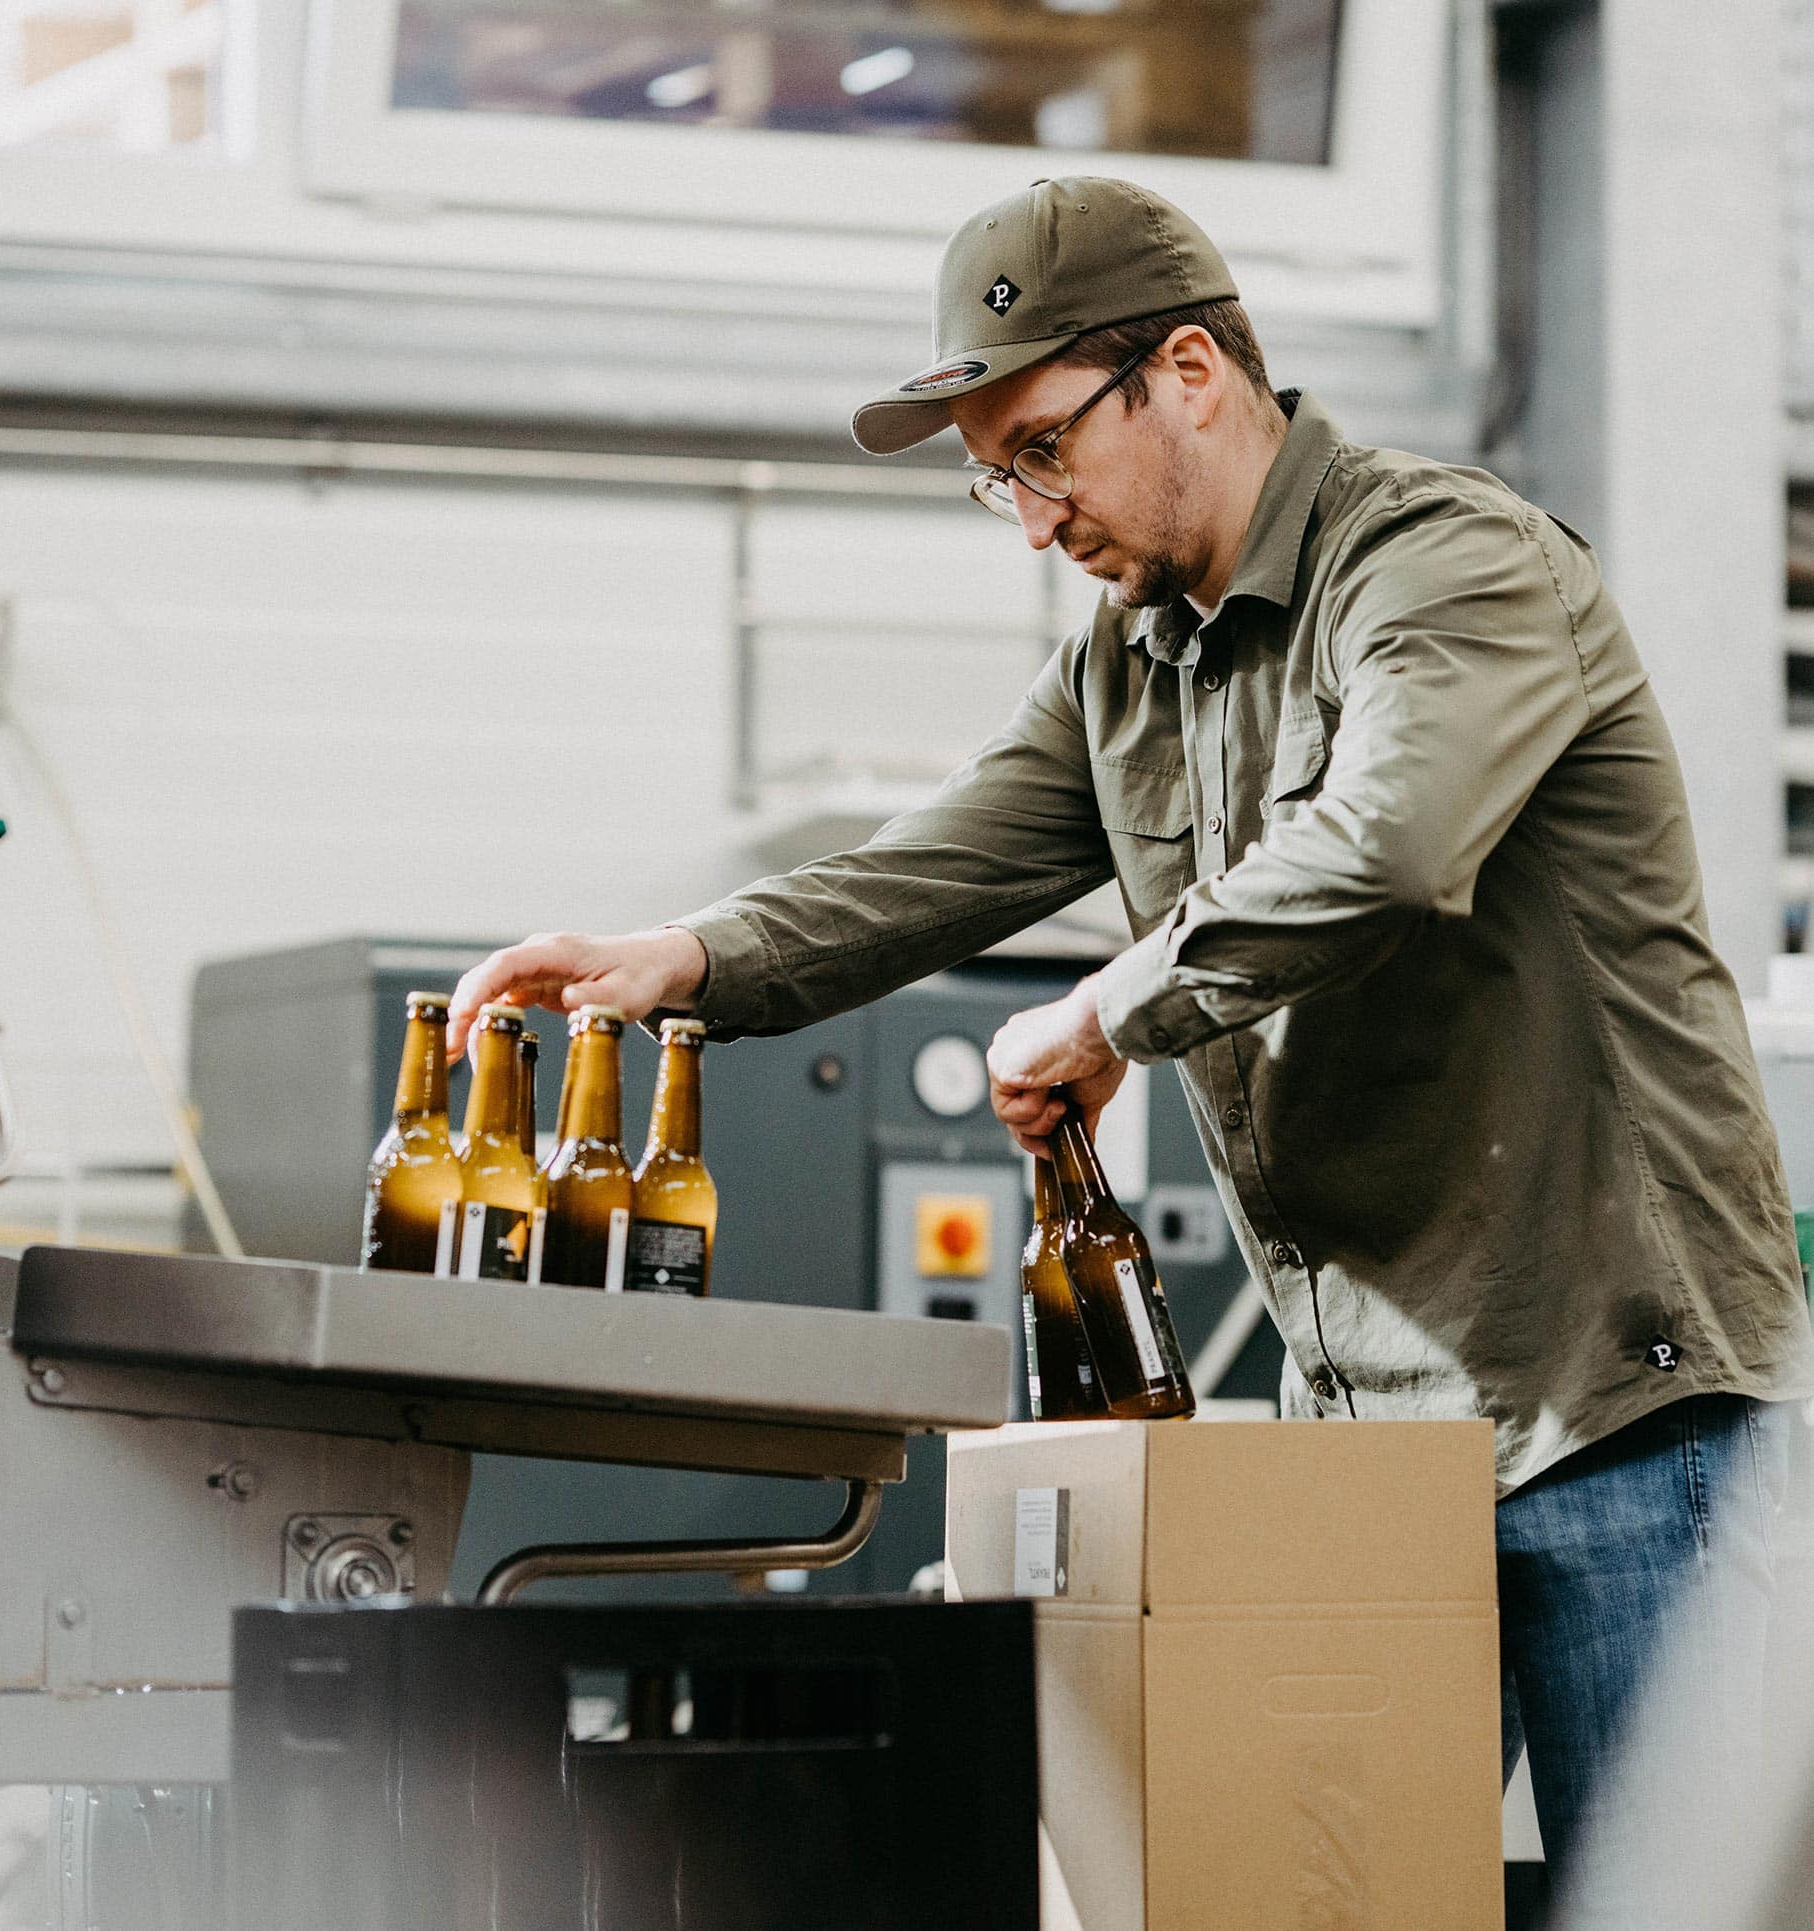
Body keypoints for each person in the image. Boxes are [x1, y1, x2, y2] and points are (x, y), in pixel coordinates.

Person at [448, 176, 1814, 1886]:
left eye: (1041, 450)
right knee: (1329, 1903)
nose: (1029, 518)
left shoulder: (1449, 563)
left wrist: (1116, 1003)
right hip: (1373, 1450)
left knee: (1669, 1907)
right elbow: (932, 869)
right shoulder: (1130, 666)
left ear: (1187, 368)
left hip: (1621, 1407)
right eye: (993, 477)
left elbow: (1386, 845)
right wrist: (681, 957)